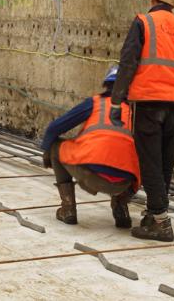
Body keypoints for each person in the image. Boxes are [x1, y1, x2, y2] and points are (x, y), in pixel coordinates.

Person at [109, 0, 174, 243]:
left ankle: (160, 221)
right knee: (164, 167)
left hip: (148, 105)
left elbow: (128, 63)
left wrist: (116, 100)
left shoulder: (143, 23)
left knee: (149, 165)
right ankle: (152, 215)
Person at [41, 65, 140, 230]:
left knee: (56, 146)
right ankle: (121, 208)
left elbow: (54, 128)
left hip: (92, 175)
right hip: (125, 182)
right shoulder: (135, 111)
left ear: (106, 85)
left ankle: (68, 209)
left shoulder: (95, 103)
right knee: (140, 158)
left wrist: (46, 150)